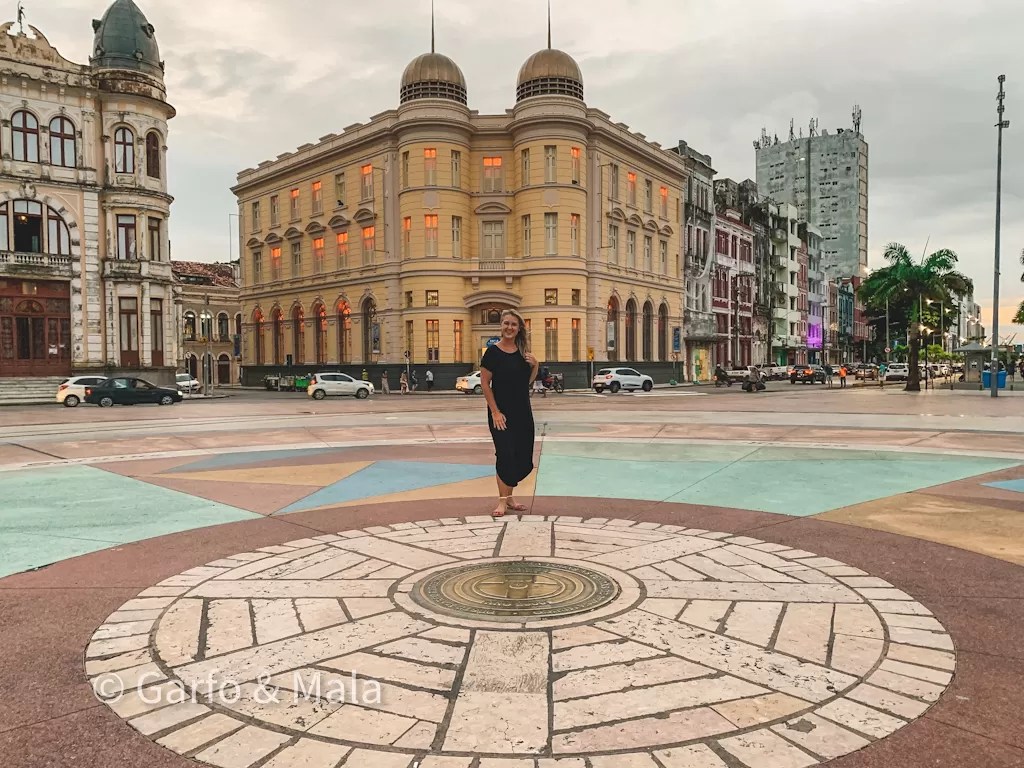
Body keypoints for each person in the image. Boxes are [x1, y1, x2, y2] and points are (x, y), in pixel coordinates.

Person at [480, 309, 538, 518]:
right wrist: (495, 411)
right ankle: (502, 501)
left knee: (521, 456)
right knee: (504, 454)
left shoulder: (523, 351)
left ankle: (510, 497)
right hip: (500, 413)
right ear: (501, 326)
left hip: (522, 411)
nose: (509, 327)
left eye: (513, 324)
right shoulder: (492, 353)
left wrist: (535, 365)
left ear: (519, 328)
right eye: (506, 323)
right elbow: (485, 383)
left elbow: (527, 383)